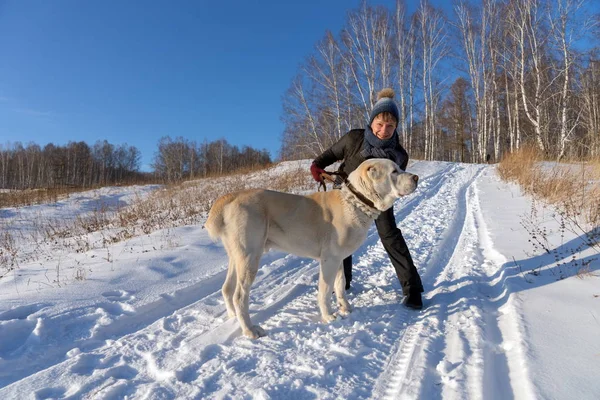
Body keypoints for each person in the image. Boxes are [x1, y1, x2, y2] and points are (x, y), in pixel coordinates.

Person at [309, 88, 424, 309]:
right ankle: (343, 283)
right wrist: (317, 168)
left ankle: (413, 290)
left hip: (378, 202)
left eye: (390, 126)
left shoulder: (398, 154)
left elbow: (397, 183)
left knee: (390, 235)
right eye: (379, 124)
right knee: (340, 236)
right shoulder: (354, 139)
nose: (384, 130)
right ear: (371, 122)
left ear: (396, 127)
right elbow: (327, 157)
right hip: (346, 198)